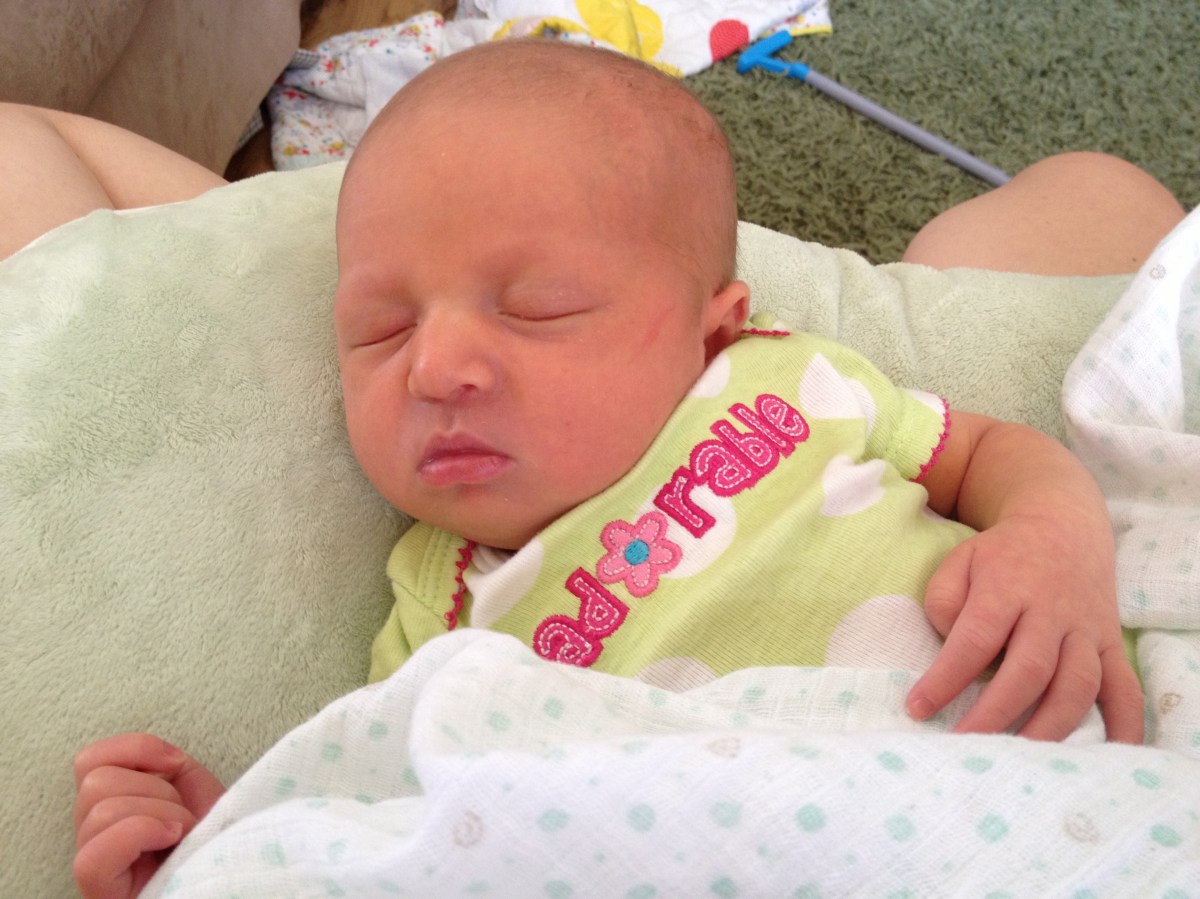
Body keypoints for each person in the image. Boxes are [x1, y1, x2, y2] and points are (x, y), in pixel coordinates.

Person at [45, 39, 1183, 899]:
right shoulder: (435, 605)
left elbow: (987, 451)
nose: (435, 367)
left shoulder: (780, 384)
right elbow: (410, 804)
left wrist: (1054, 534)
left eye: (537, 307)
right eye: (379, 331)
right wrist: (240, 825)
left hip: (1016, 763)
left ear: (713, 328)